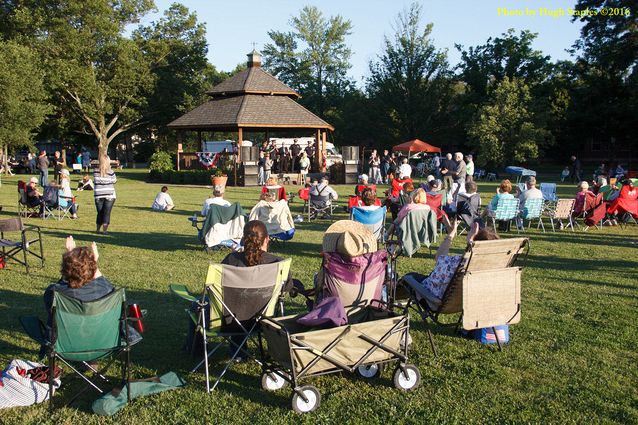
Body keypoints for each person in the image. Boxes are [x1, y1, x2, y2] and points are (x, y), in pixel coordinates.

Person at [401, 220, 499, 300]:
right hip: (461, 303)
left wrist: (451, 235)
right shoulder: (491, 267)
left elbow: (439, 257)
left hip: (433, 298)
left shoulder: (458, 263)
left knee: (409, 277)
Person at [93, 162, 117, 235]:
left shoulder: (95, 171)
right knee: (106, 213)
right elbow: (114, 180)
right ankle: (104, 230)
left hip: (98, 194)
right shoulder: (110, 172)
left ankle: (97, 229)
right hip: (109, 194)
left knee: (100, 212)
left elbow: (96, 180)